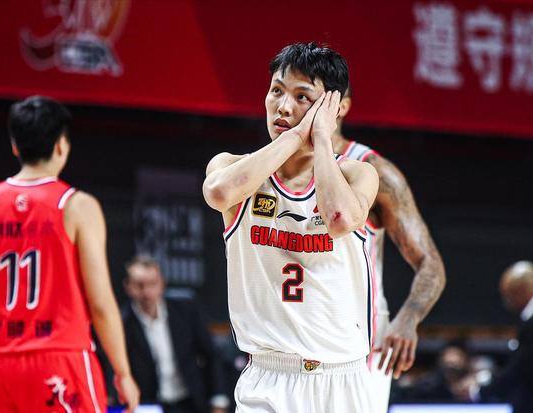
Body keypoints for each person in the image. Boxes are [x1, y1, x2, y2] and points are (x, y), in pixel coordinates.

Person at [203, 42, 380, 412]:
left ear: (331, 108)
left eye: (302, 97)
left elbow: (340, 219)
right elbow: (218, 193)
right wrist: (295, 136)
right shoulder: (231, 166)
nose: (283, 106)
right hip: (269, 376)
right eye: (276, 91)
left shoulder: (357, 174)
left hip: (341, 378)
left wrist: (320, 138)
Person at [0, 96, 140, 413]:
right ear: (61, 145)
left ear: (15, 146)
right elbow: (101, 303)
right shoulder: (77, 206)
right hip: (61, 361)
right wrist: (123, 372)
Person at [332, 88, 446, 412]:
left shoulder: (375, 172)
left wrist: (409, 318)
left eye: (305, 96)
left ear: (340, 106)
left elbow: (430, 264)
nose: (290, 106)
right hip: (293, 341)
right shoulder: (271, 167)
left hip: (358, 342)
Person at [122, 255, 229, 413]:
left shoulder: (185, 309)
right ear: (128, 287)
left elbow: (211, 354)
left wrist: (219, 400)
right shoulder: (123, 324)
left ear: (162, 283)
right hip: (149, 405)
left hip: (191, 401)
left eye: (152, 284)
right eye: (139, 285)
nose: (146, 292)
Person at [473, 261, 533, 413]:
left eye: (508, 296)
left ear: (520, 291)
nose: (507, 304)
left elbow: (520, 369)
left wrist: (480, 392)